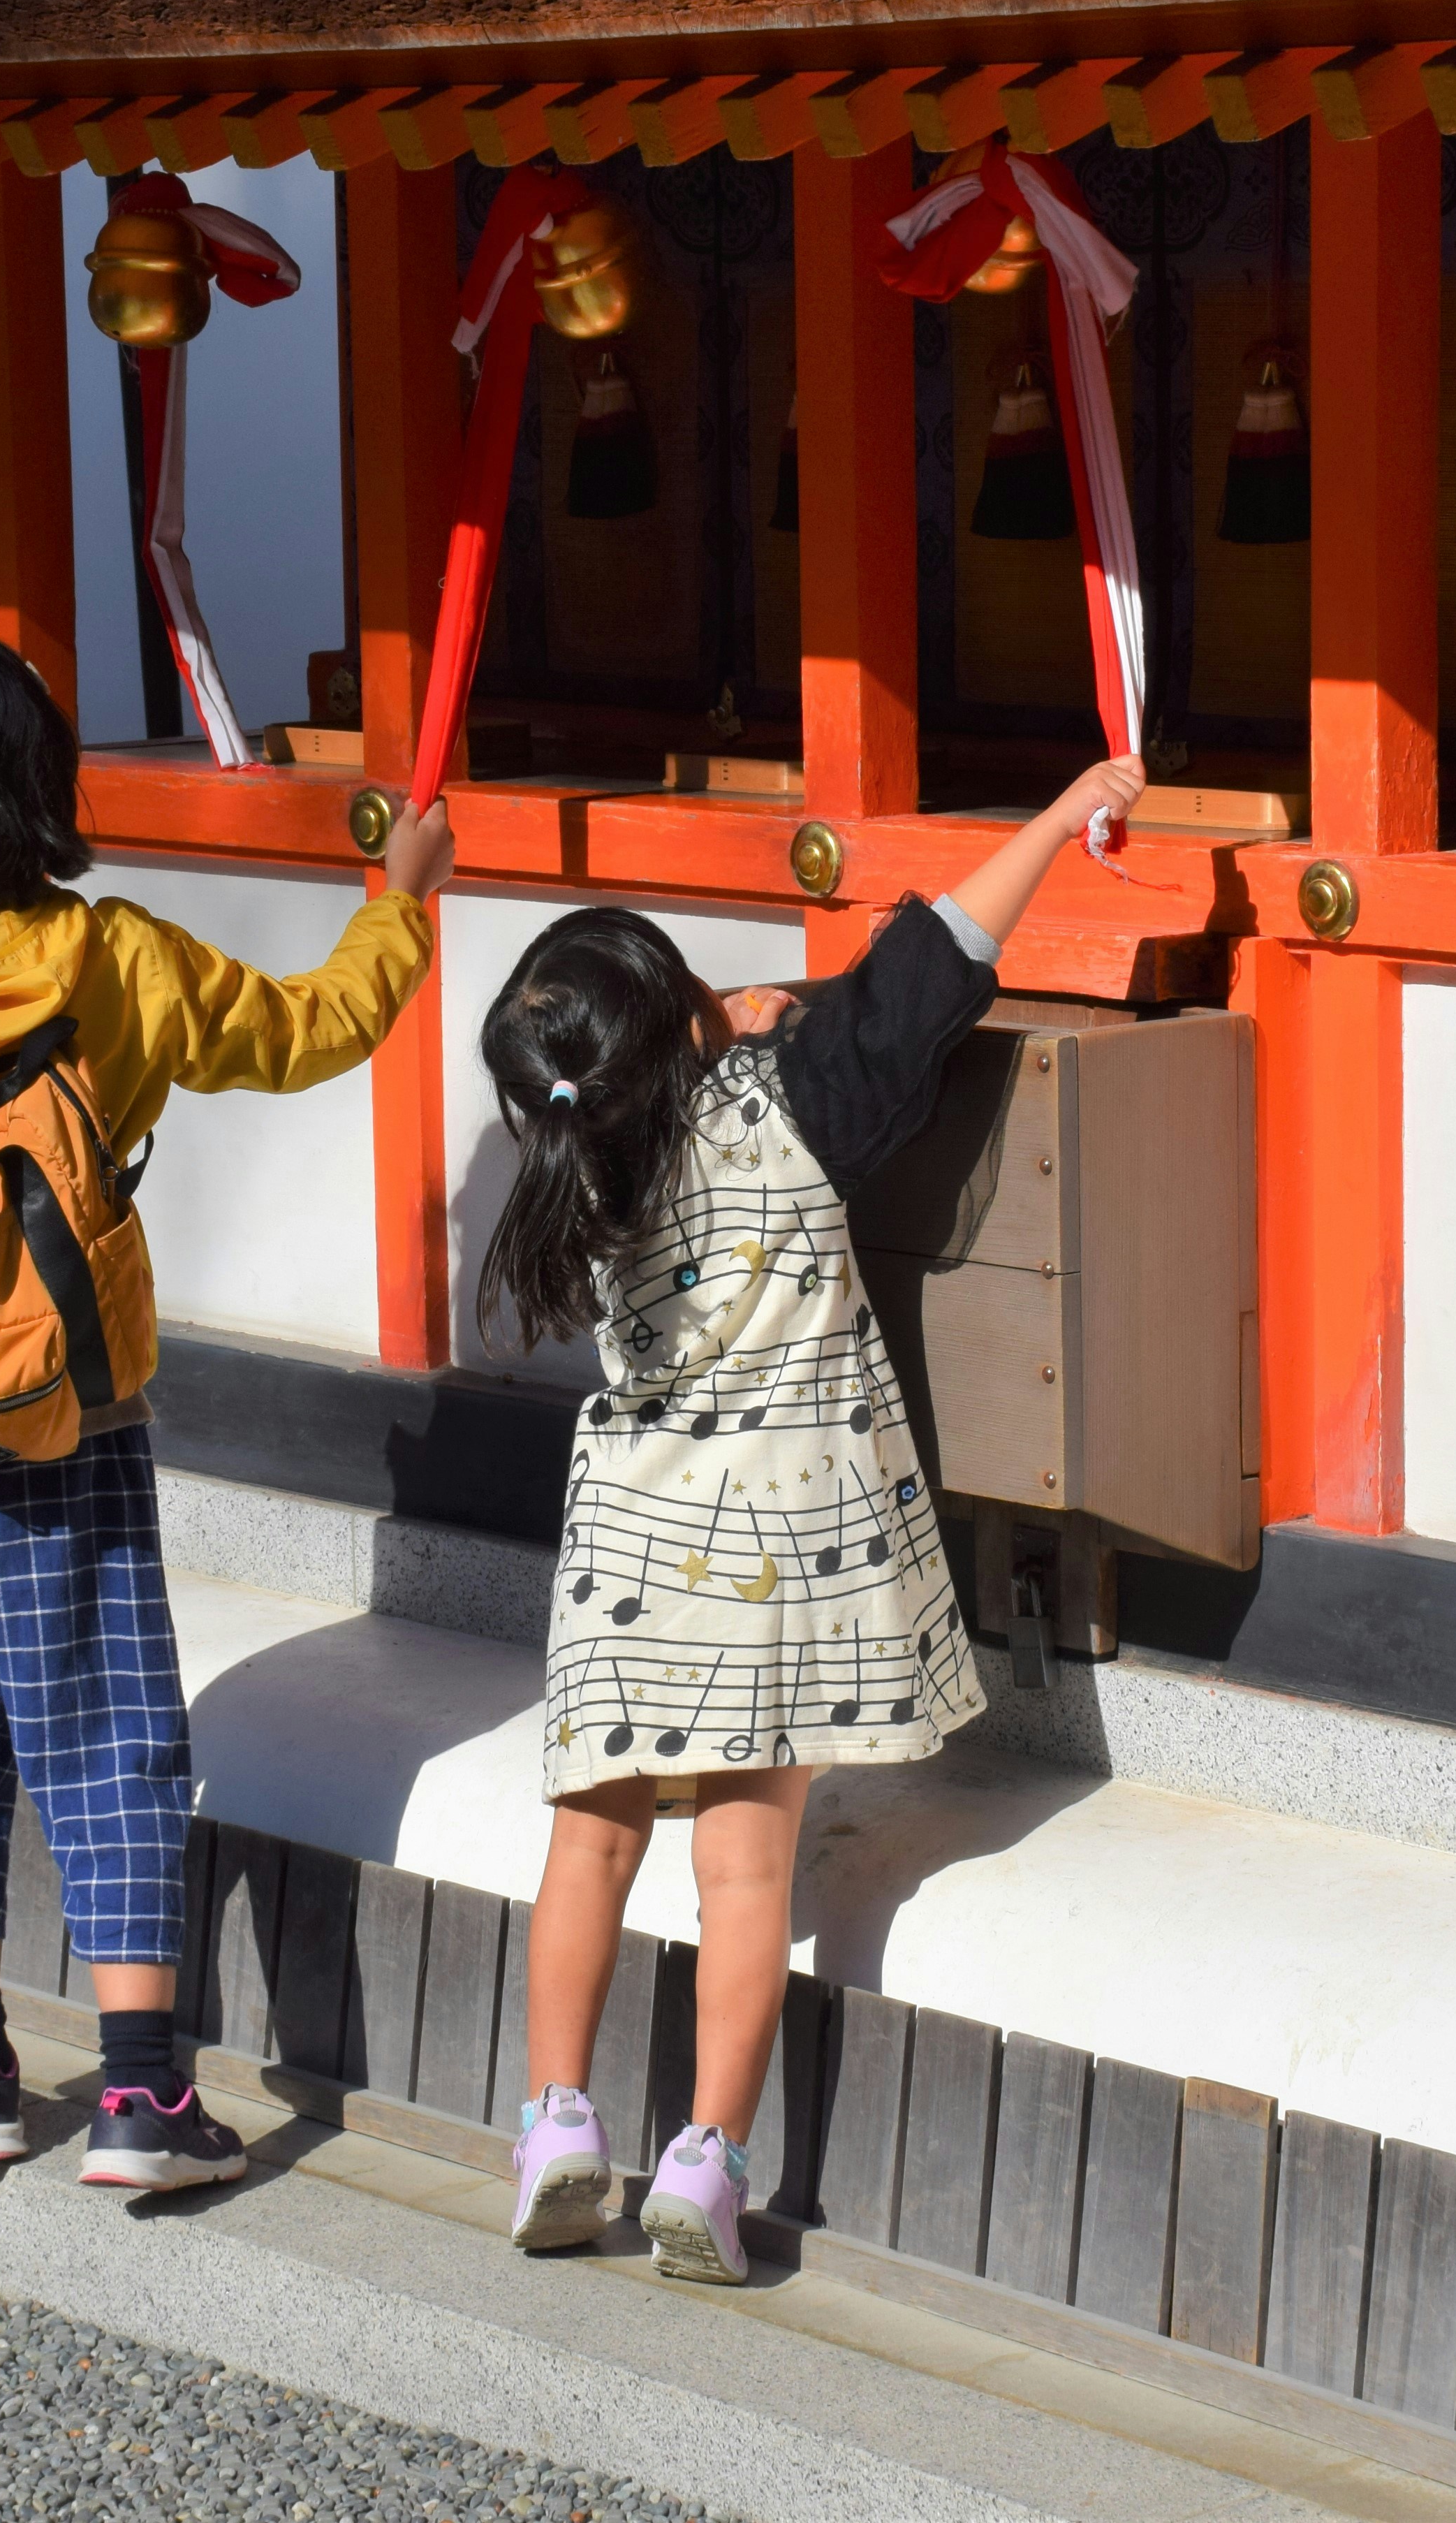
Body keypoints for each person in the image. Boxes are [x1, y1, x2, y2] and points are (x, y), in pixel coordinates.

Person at [0, 631, 450, 2188]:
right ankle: (141, 2096)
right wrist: (401, 900)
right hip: (77, 1419)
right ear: (37, 789)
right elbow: (313, 1027)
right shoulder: (115, 957)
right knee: (107, 1728)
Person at [475, 754, 1147, 2281]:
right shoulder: (793, 1102)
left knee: (588, 1841)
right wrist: (1049, 818)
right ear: (687, 1014)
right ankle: (706, 2164)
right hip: (778, 1558)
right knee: (744, 1871)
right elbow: (929, 971)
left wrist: (705, 1012)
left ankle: (556, 2124)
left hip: (632, 1560)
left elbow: (650, 1052)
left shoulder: (575, 1161)